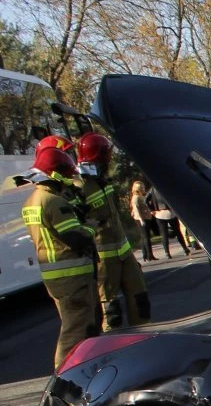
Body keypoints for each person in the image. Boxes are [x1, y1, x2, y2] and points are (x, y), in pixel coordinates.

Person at [19, 147, 98, 368]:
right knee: (75, 329)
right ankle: (65, 376)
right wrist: (91, 228)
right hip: (71, 275)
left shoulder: (32, 201)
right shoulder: (54, 202)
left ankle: (82, 368)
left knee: (76, 325)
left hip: (55, 275)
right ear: (56, 173)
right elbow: (75, 239)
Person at [75, 132, 150, 330]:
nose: (109, 160)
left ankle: (143, 336)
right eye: (105, 156)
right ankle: (112, 348)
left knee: (140, 297)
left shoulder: (103, 181)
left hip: (124, 252)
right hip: (103, 258)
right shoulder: (80, 186)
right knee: (111, 309)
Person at [148, 186, 189, 257]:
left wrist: (152, 210)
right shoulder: (167, 187)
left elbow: (146, 200)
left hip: (160, 214)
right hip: (171, 213)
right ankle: (185, 249)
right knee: (178, 232)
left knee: (164, 234)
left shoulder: (152, 189)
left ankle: (167, 253)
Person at [130, 181, 157, 261]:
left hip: (146, 217)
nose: (143, 188)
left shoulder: (141, 196)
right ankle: (149, 255)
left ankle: (145, 255)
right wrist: (141, 220)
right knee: (146, 237)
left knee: (144, 237)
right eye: (141, 188)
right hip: (141, 219)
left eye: (143, 187)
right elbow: (136, 210)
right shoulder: (136, 197)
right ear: (137, 189)